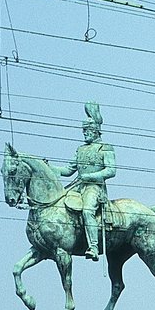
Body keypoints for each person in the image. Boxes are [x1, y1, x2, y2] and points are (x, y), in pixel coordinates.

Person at [57, 102, 116, 261]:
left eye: (87, 131)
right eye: (84, 131)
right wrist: (49, 168)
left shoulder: (105, 148)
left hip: (95, 187)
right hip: (78, 186)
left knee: (87, 211)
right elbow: (68, 170)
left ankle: (93, 247)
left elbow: (111, 170)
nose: (84, 134)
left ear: (96, 131)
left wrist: (90, 176)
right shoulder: (80, 149)